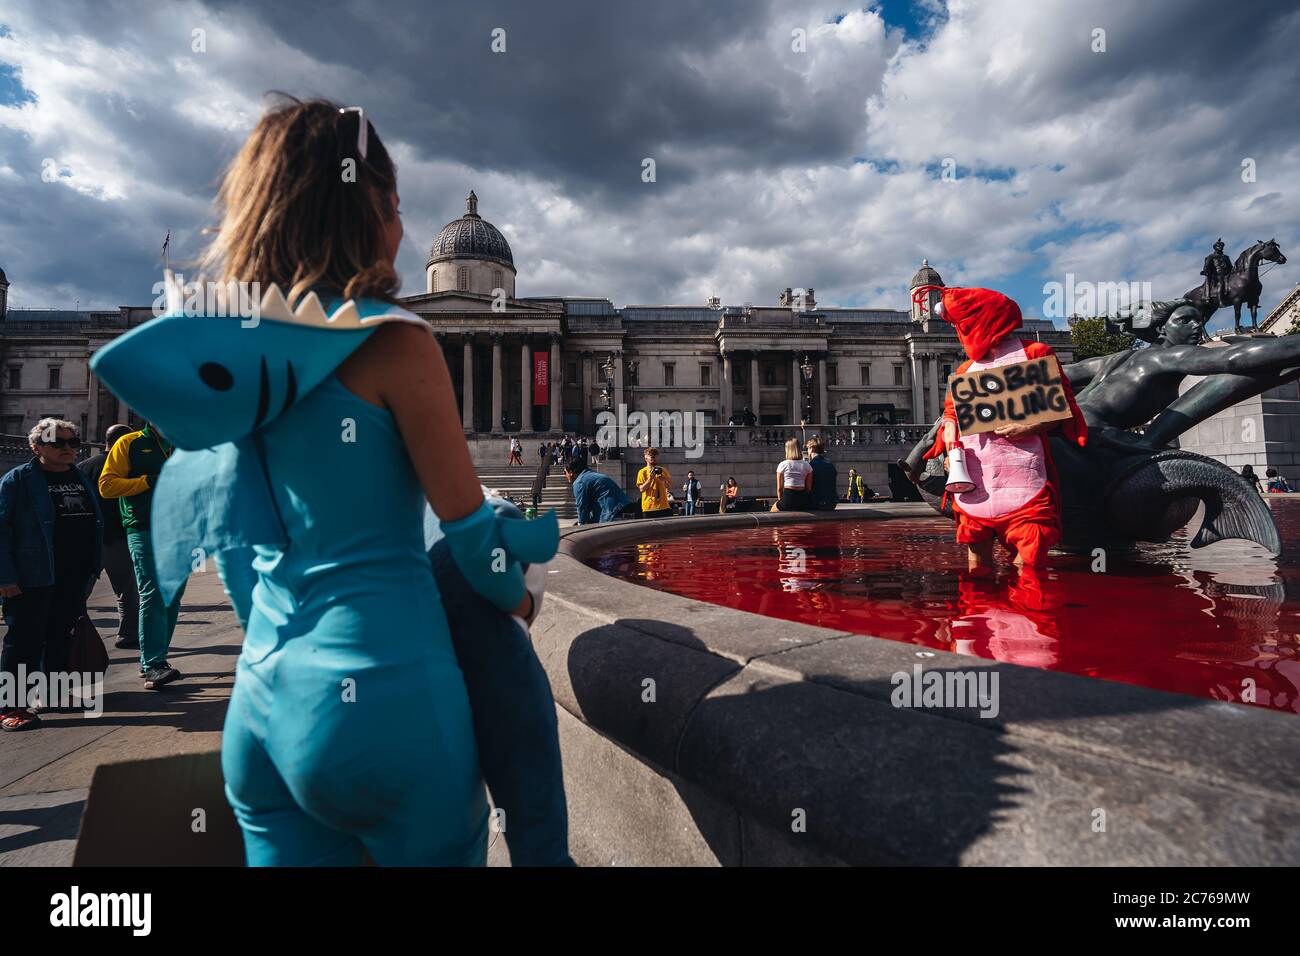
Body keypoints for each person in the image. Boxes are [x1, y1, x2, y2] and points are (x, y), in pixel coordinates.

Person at [90, 97, 561, 866]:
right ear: (363, 209)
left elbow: (239, 558)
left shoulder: (232, 366)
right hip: (388, 705)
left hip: (262, 712)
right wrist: (528, 596)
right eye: (394, 206)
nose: (404, 229)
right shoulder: (398, 341)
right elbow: (477, 546)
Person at [915, 284, 1087, 572]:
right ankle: (979, 613)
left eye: (965, 324)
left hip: (1023, 476)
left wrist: (1029, 425)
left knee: (1030, 562)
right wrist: (950, 445)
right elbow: (951, 416)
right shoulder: (963, 371)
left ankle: (1029, 612)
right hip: (974, 480)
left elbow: (1062, 408)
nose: (963, 332)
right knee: (977, 564)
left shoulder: (1035, 353)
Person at [0, 419, 103, 731]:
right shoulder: (19, 480)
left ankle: (54, 692)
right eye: (58, 442)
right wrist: (5, 577)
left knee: (60, 635)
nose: (69, 448)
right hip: (32, 574)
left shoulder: (78, 475)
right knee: (24, 640)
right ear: (37, 447)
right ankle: (11, 706)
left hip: (73, 575)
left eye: (74, 442)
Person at [98, 421, 187, 689]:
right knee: (154, 591)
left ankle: (156, 659)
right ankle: (153, 665)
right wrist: (148, 481)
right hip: (144, 527)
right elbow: (107, 485)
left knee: (173, 596)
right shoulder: (129, 442)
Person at [78, 424, 139, 649]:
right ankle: (128, 634)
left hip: (89, 539)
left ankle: (70, 628)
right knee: (126, 591)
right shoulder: (129, 467)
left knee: (80, 590)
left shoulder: (83, 467)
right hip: (118, 538)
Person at [566, 459, 630, 524]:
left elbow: (581, 507)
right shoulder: (592, 476)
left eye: (564, 472)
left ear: (571, 472)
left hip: (612, 515)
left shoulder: (579, 482)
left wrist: (581, 524)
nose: (565, 475)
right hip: (624, 510)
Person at [773, 438, 813, 511]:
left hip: (788, 497)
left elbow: (779, 488)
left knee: (773, 509)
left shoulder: (783, 464)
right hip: (802, 499)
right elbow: (809, 488)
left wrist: (780, 500)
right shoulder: (807, 465)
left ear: (788, 450)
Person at [635, 447, 672, 519]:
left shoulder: (662, 470)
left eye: (655, 456)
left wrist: (664, 478)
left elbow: (670, 485)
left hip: (664, 507)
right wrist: (650, 479)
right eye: (652, 456)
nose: (654, 458)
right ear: (646, 458)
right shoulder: (642, 472)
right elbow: (642, 489)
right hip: (649, 508)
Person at [807, 437, 838, 511]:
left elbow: (808, 488)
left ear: (812, 449)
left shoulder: (810, 465)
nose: (807, 451)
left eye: (808, 449)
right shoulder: (830, 464)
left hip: (816, 504)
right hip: (831, 503)